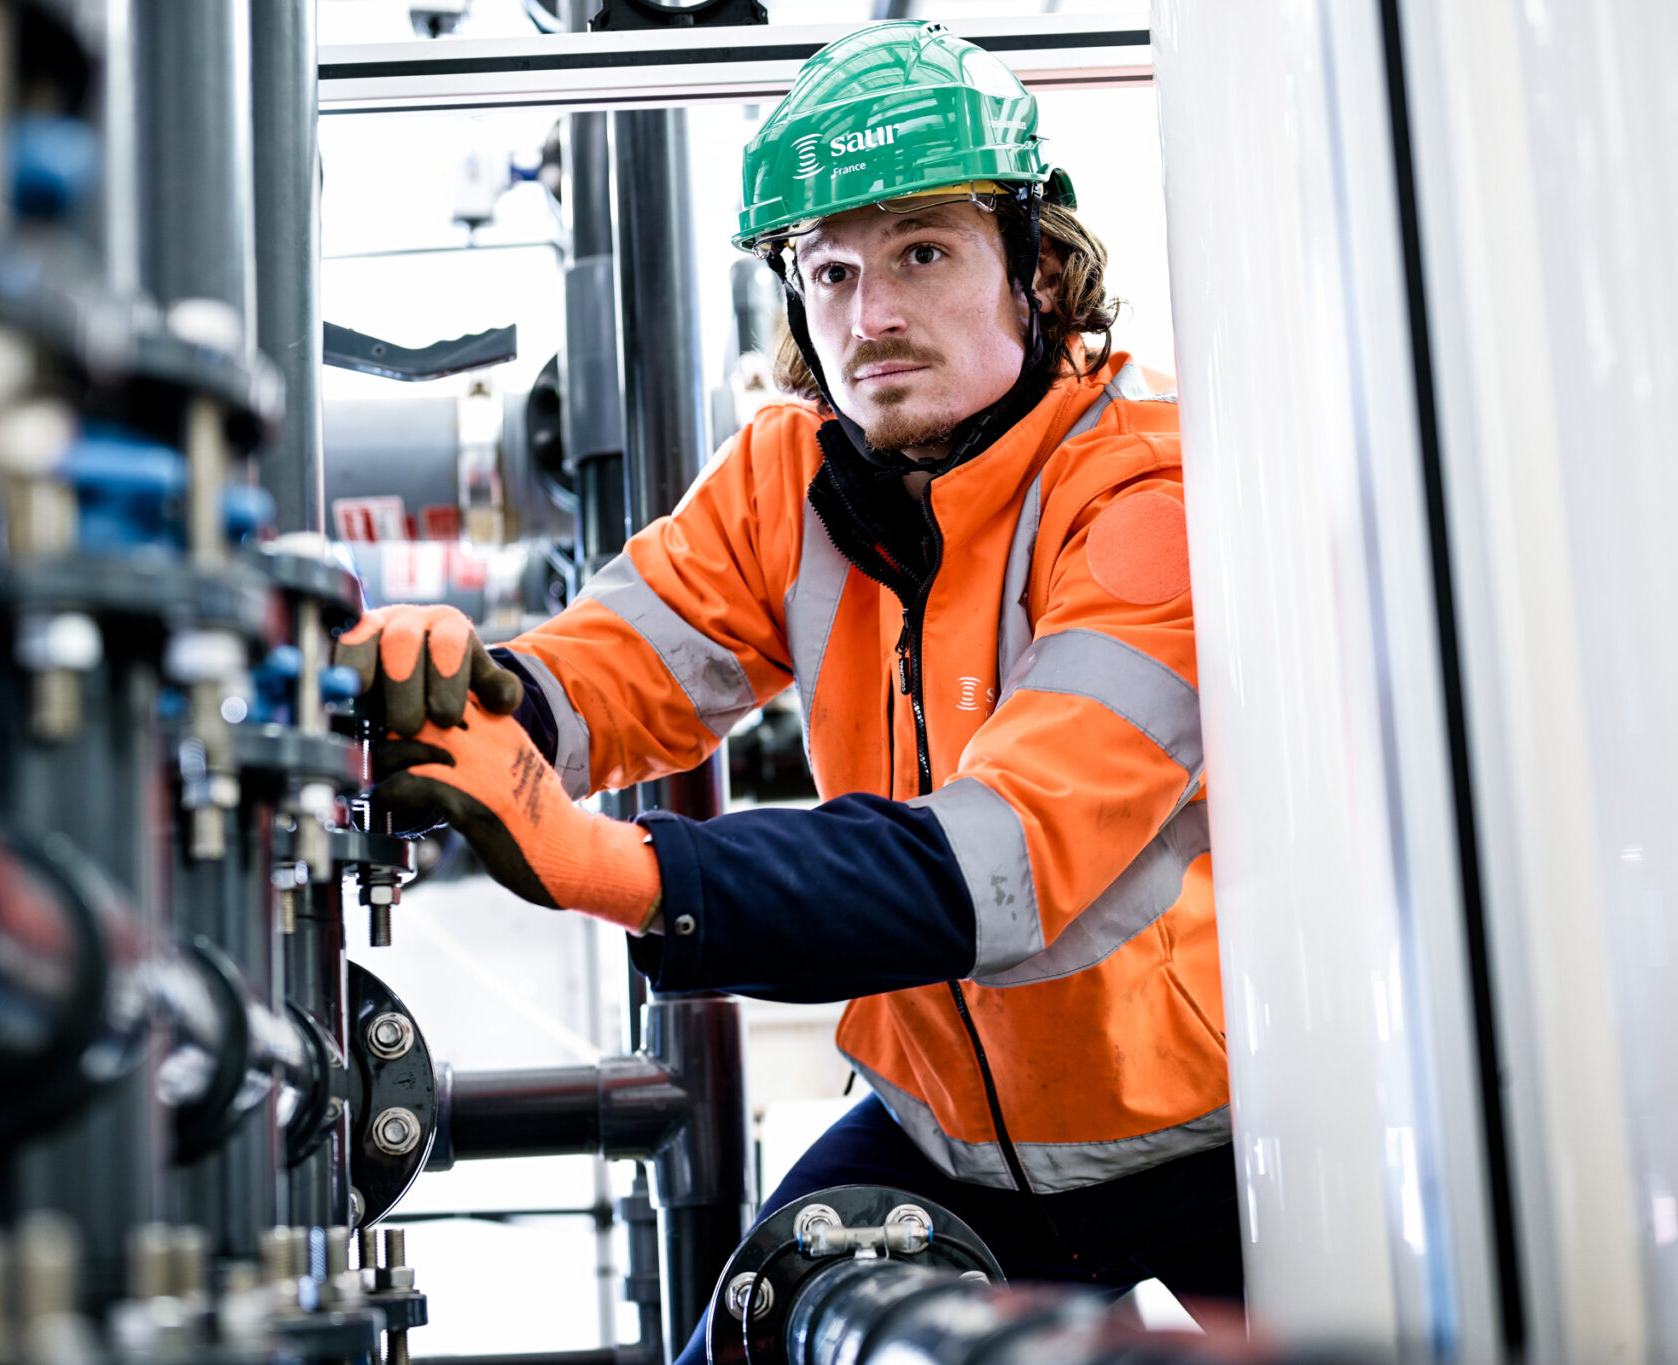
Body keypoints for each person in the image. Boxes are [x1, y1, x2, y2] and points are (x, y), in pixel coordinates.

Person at [337, 20, 1236, 1358]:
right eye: (832, 269)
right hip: (945, 1128)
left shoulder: (1145, 493)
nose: (872, 313)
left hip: (1207, 1142)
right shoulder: (792, 477)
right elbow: (617, 663)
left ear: (1038, 270)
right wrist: (465, 698)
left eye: (923, 252)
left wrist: (613, 862)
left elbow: (1001, 858)